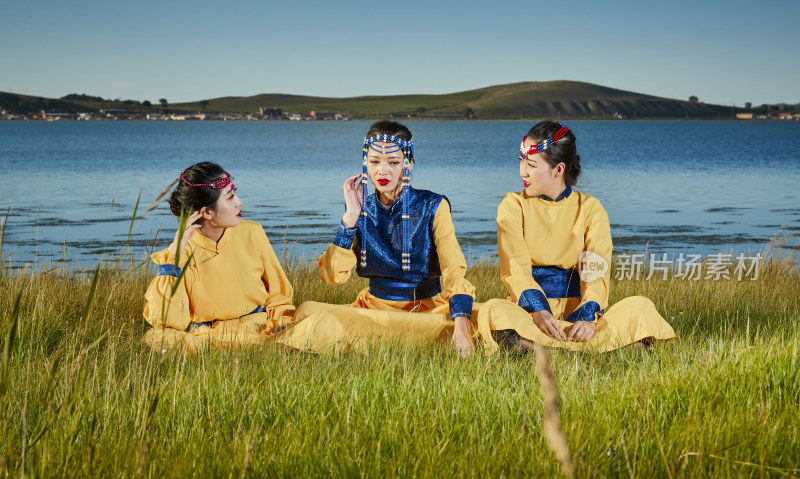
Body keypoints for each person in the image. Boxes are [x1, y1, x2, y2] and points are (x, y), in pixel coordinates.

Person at [276, 121, 475, 356]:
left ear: (408, 165)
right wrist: (350, 218)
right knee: (310, 309)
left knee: (496, 313)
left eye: (393, 163)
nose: (383, 171)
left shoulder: (433, 205)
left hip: (427, 312)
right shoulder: (362, 209)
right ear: (365, 164)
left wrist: (461, 324)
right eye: (374, 162)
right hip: (372, 312)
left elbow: (454, 270)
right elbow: (331, 277)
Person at [477, 121, 675, 352]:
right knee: (494, 310)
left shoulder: (590, 207)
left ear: (558, 169)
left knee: (641, 306)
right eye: (521, 162)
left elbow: (597, 269)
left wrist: (588, 316)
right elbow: (515, 267)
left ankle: (543, 348)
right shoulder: (513, 204)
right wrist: (539, 311)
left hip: (578, 317)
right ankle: (600, 349)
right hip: (530, 315)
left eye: (531, 164)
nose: (523, 171)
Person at [143, 162, 294, 352]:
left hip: (260, 326)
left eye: (234, 193)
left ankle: (269, 344)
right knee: (159, 338)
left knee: (324, 319)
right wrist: (175, 257)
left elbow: (279, 295)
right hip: (209, 338)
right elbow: (169, 321)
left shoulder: (252, 232)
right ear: (206, 212)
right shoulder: (182, 252)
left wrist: (278, 324)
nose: (239, 201)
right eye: (230, 197)